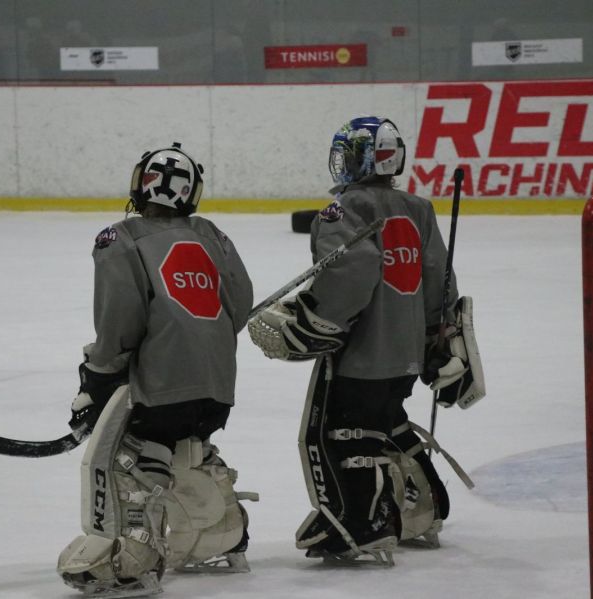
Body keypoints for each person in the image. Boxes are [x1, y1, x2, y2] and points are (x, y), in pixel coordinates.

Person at [248, 116, 483, 566]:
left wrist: (311, 320)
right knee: (386, 418)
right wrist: (437, 340)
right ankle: (425, 505)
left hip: (362, 352)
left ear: (359, 159)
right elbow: (439, 282)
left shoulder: (345, 210)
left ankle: (362, 523)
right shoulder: (417, 207)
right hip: (407, 353)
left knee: (339, 431)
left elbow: (349, 279)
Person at [57, 142, 257, 597]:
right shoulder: (211, 233)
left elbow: (119, 319)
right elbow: (239, 304)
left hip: (165, 378)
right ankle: (221, 533)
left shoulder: (120, 238)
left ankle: (135, 558)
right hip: (218, 380)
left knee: (134, 457)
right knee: (188, 445)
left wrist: (101, 372)